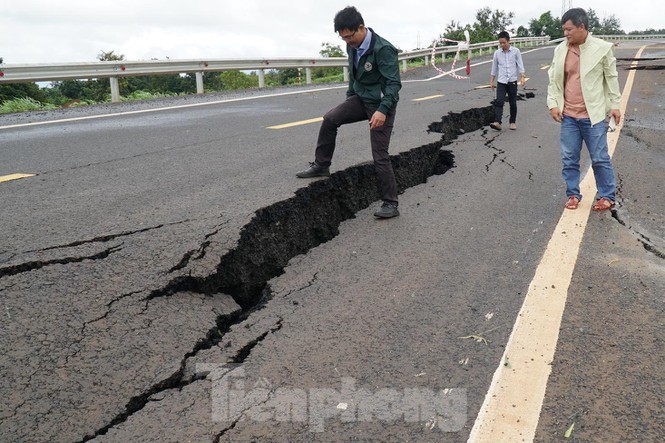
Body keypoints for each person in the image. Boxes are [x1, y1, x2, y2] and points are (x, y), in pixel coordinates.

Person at [296, 6, 402, 219]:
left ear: (361, 28)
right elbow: (354, 75)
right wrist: (349, 99)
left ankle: (391, 203)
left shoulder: (383, 49)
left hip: (381, 105)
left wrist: (382, 111)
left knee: (379, 155)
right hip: (360, 99)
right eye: (343, 38)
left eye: (350, 37)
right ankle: (321, 165)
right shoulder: (352, 46)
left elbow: (393, 84)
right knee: (329, 119)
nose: (347, 42)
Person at [547, 7, 622, 211]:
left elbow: (611, 78)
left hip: (593, 115)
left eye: (569, 29)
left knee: (599, 158)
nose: (566, 33)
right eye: (564, 30)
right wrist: (553, 103)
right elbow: (554, 80)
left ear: (582, 27)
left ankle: (607, 196)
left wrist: (615, 105)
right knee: (569, 158)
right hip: (569, 116)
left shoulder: (602, 48)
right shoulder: (561, 49)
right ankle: (573, 194)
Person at [489, 31, 526, 131]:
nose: (502, 45)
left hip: (512, 81)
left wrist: (522, 77)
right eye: (500, 43)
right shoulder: (497, 53)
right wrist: (492, 81)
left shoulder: (516, 51)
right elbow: (494, 68)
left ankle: (512, 122)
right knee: (499, 101)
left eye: (504, 42)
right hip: (501, 81)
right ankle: (497, 122)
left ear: (509, 41)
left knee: (512, 103)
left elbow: (520, 65)